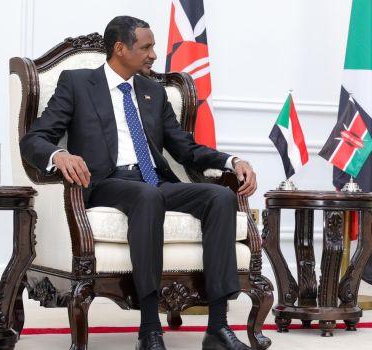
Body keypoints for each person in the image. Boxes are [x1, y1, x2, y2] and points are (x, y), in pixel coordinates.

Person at [20, 16, 255, 350]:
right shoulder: (76, 83)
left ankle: (217, 327)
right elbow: (34, 139)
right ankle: (149, 328)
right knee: (146, 196)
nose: (154, 55)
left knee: (219, 197)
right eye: (146, 47)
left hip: (153, 182)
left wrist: (232, 161)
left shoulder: (152, 92)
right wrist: (59, 155)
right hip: (106, 184)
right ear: (120, 48)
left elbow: (185, 148)